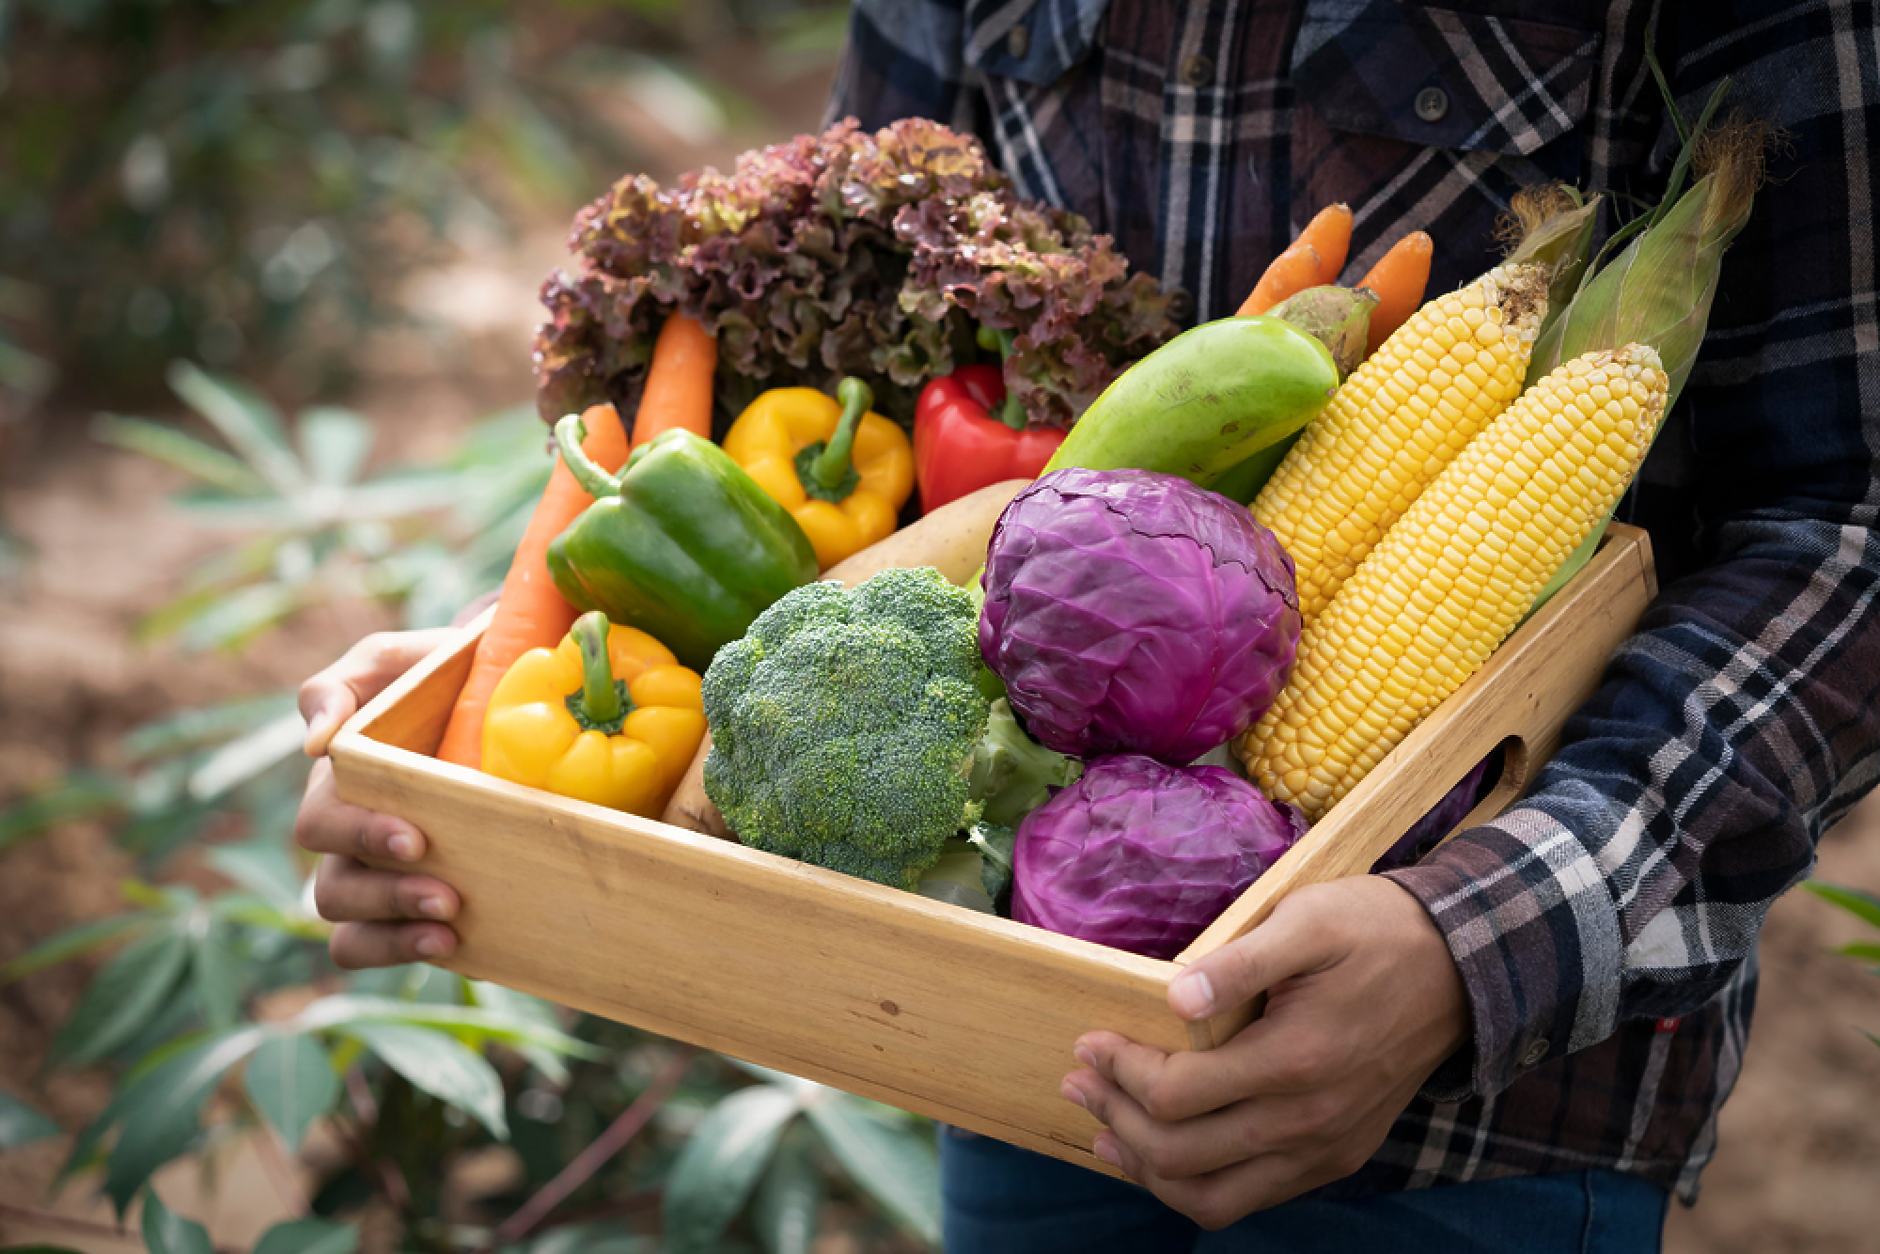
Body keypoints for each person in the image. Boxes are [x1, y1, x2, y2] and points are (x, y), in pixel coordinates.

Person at [295, 1, 1880, 1250]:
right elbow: (872, 315)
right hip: (1011, 1002)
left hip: (1473, 1110)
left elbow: (1853, 519)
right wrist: (497, 675)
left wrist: (1481, 940)